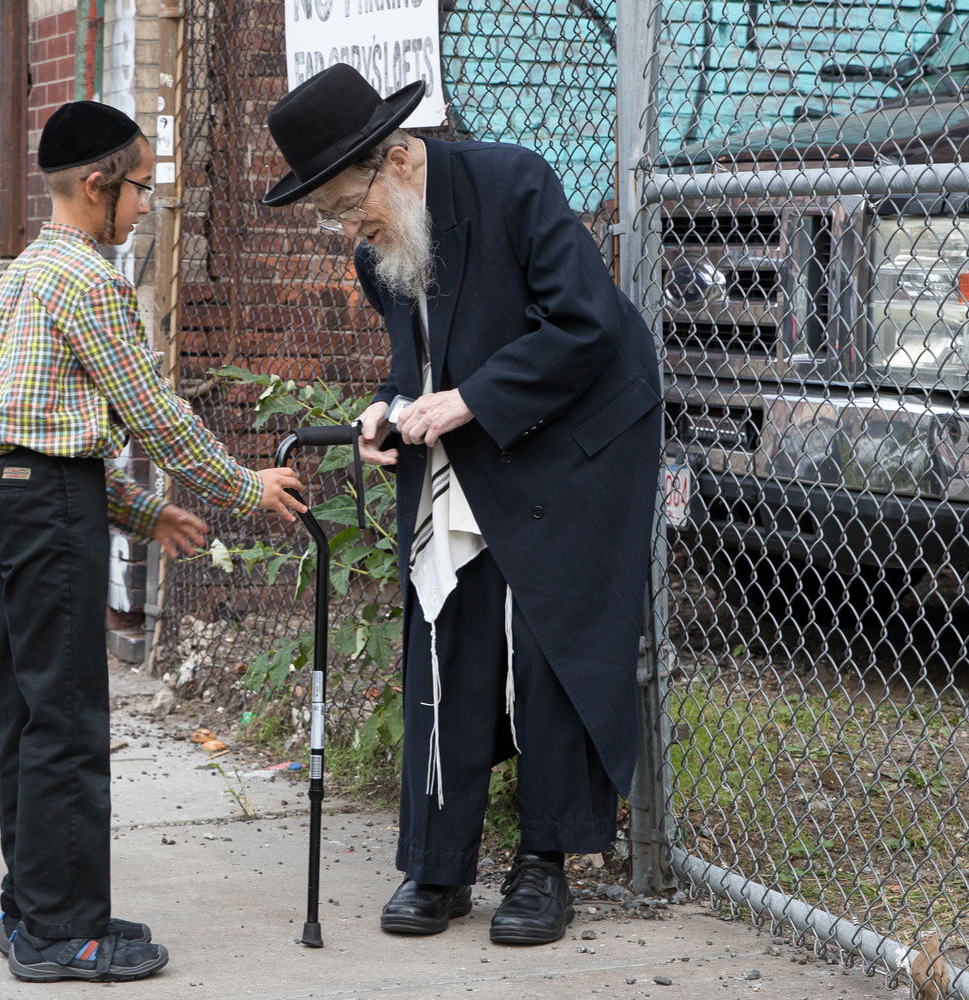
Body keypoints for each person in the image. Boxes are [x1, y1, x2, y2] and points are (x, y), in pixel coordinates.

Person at [262, 64, 662, 946]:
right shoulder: (381, 246)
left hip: (581, 437)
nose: (345, 230)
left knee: (546, 646)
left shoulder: (514, 181)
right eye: (328, 215)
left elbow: (585, 324)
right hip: (476, 437)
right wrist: (387, 403)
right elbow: (420, 362)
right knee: (448, 638)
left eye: (343, 206)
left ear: (398, 158)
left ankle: (545, 864)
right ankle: (437, 863)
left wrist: (468, 399)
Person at [0, 99, 306, 984]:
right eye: (142, 187)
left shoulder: (26, 273)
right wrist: (246, 486)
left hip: (8, 497)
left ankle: (36, 908)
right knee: (71, 720)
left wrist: (142, 513)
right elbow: (152, 416)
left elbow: (40, 433)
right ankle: (62, 934)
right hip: (47, 508)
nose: (148, 206)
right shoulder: (87, 280)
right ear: (96, 185)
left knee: (32, 712)